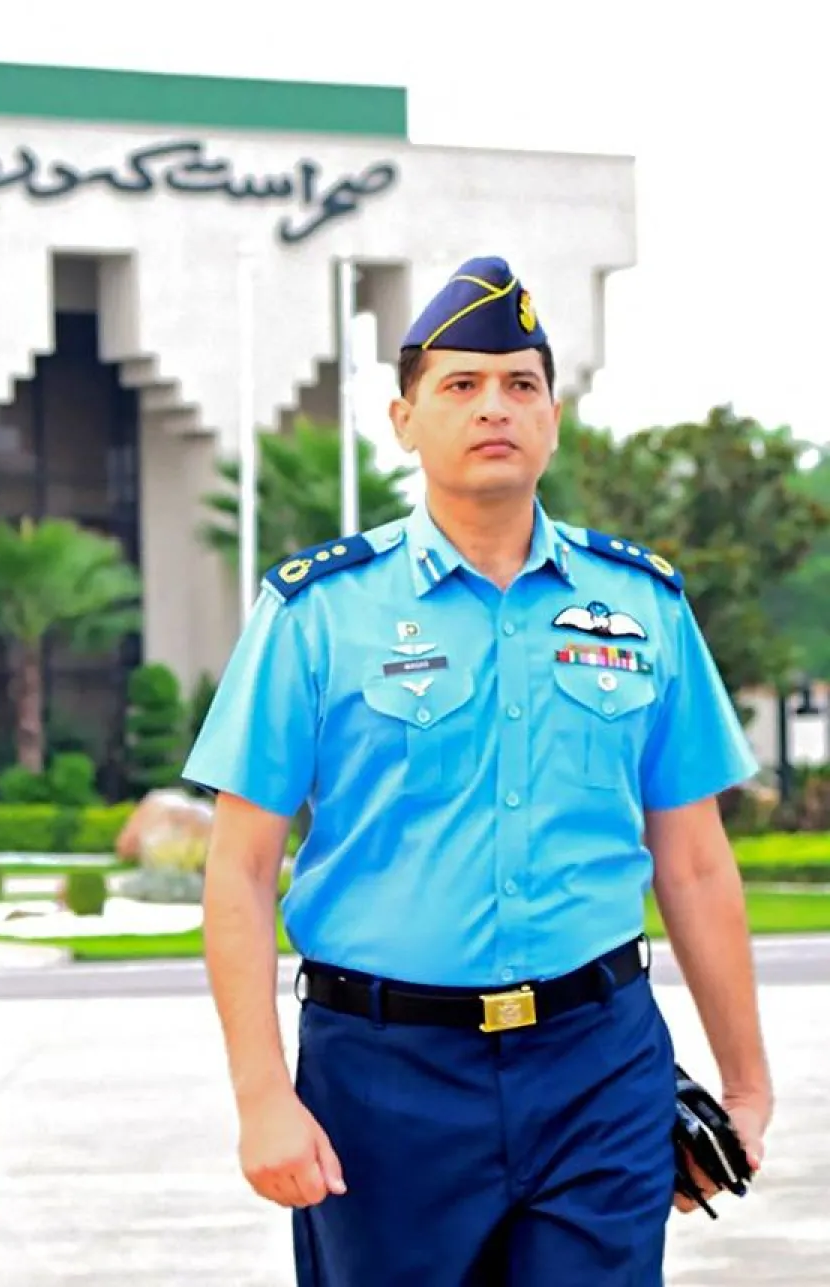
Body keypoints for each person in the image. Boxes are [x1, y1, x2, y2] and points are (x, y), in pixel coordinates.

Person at [183, 257, 774, 1286]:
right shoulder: (316, 614)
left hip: (600, 1064)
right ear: (404, 418)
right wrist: (262, 1097)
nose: (493, 407)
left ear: (552, 417)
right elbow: (236, 871)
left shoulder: (646, 609)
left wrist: (748, 1086)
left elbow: (694, 865)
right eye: (460, 385)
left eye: (520, 385)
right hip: (383, 1078)